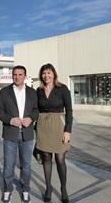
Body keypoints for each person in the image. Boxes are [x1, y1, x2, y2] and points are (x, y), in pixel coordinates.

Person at [0, 65, 39, 203]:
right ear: (12, 75)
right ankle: (8, 190)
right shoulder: (4, 92)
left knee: (26, 165)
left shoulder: (32, 92)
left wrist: (31, 118)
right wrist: (10, 120)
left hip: (27, 134)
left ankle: (25, 190)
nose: (17, 77)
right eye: (15, 74)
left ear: (25, 76)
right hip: (10, 134)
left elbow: (36, 110)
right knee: (8, 165)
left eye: (20, 74)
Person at [35, 63, 73, 203]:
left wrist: (67, 130)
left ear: (54, 74)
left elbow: (69, 110)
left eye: (49, 73)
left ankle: (63, 188)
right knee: (46, 158)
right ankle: (48, 188)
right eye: (44, 73)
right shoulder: (38, 90)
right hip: (43, 126)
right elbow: (34, 109)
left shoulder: (62, 89)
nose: (46, 75)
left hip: (59, 126)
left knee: (60, 159)